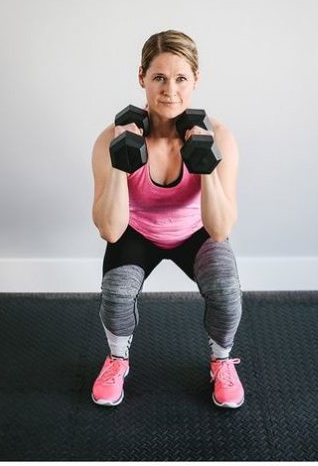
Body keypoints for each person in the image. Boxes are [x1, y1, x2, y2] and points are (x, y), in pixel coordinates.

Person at [90, 30, 243, 409]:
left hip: (196, 231)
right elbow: (110, 229)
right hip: (137, 231)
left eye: (181, 79)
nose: (170, 90)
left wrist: (206, 165)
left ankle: (221, 362)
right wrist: (117, 164)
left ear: (196, 79)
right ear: (141, 77)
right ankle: (117, 359)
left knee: (226, 291)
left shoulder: (220, 136)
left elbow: (221, 229)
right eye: (158, 77)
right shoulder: (111, 137)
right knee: (116, 294)